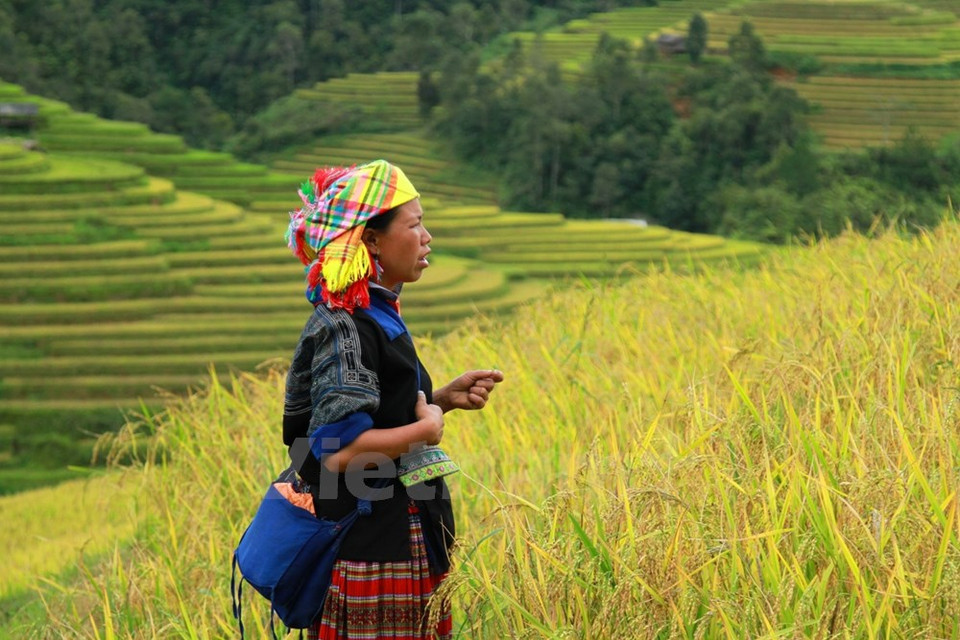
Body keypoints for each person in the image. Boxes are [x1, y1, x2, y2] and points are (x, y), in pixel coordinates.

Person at [282, 159, 503, 639]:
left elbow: (374, 414)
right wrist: (426, 429)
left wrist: (440, 398)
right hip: (373, 554)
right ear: (371, 241)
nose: (427, 238)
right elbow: (339, 450)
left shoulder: (374, 313)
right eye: (416, 224)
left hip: (400, 540)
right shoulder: (346, 327)